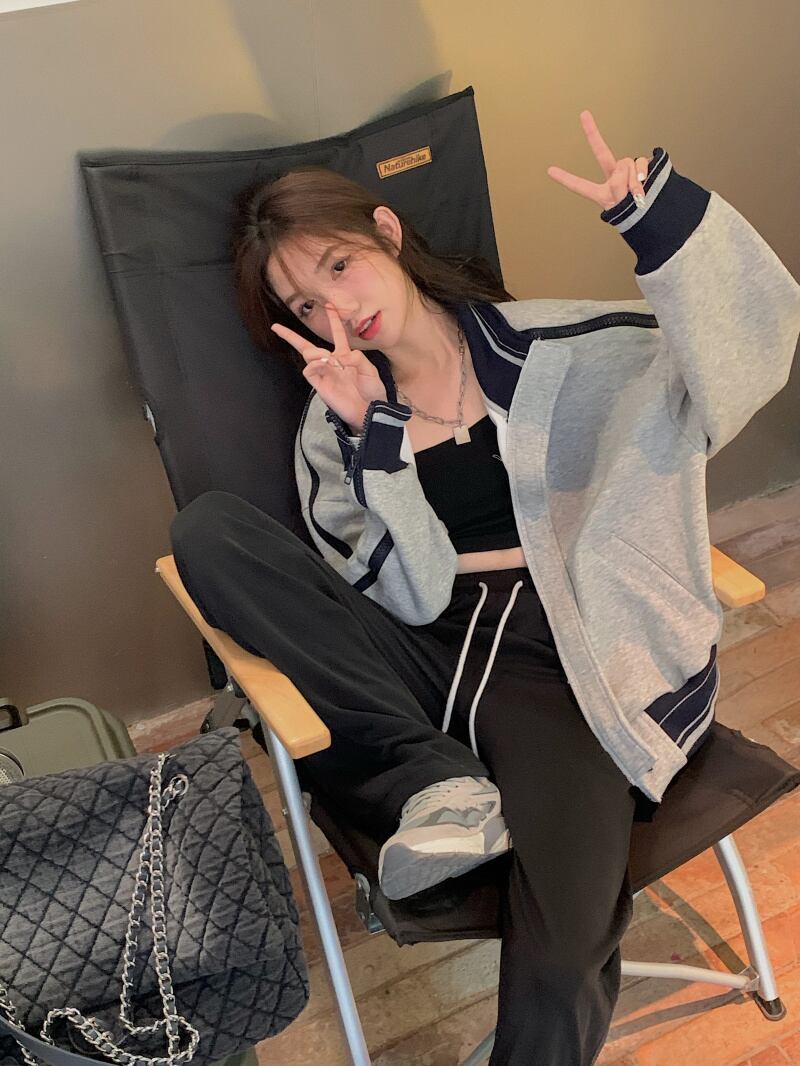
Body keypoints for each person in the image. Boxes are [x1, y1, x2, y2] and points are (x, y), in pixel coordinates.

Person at [170, 110, 800, 1065]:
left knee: (569, 941)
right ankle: (437, 783)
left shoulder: (569, 347)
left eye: (339, 266)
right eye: (303, 304)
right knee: (209, 531)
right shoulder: (332, 427)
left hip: (562, 658)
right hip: (422, 656)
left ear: (387, 233)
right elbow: (414, 596)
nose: (336, 310)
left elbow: (744, 362)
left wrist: (658, 223)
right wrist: (376, 436)